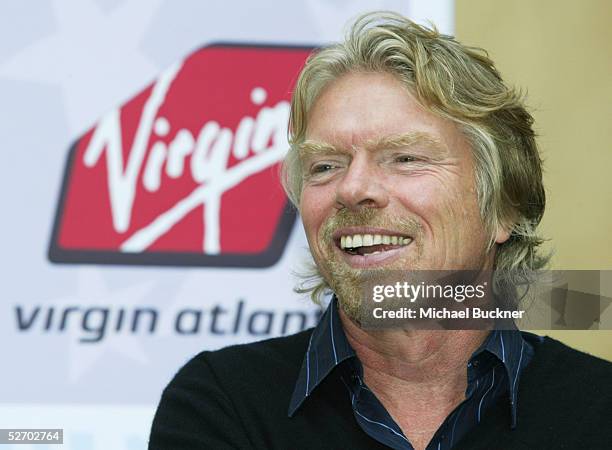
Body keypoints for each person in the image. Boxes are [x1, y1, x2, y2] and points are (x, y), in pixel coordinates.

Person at [149, 12, 612, 450]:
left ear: (502, 209)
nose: (352, 189)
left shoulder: (597, 410)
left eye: (405, 158)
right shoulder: (222, 403)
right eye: (326, 166)